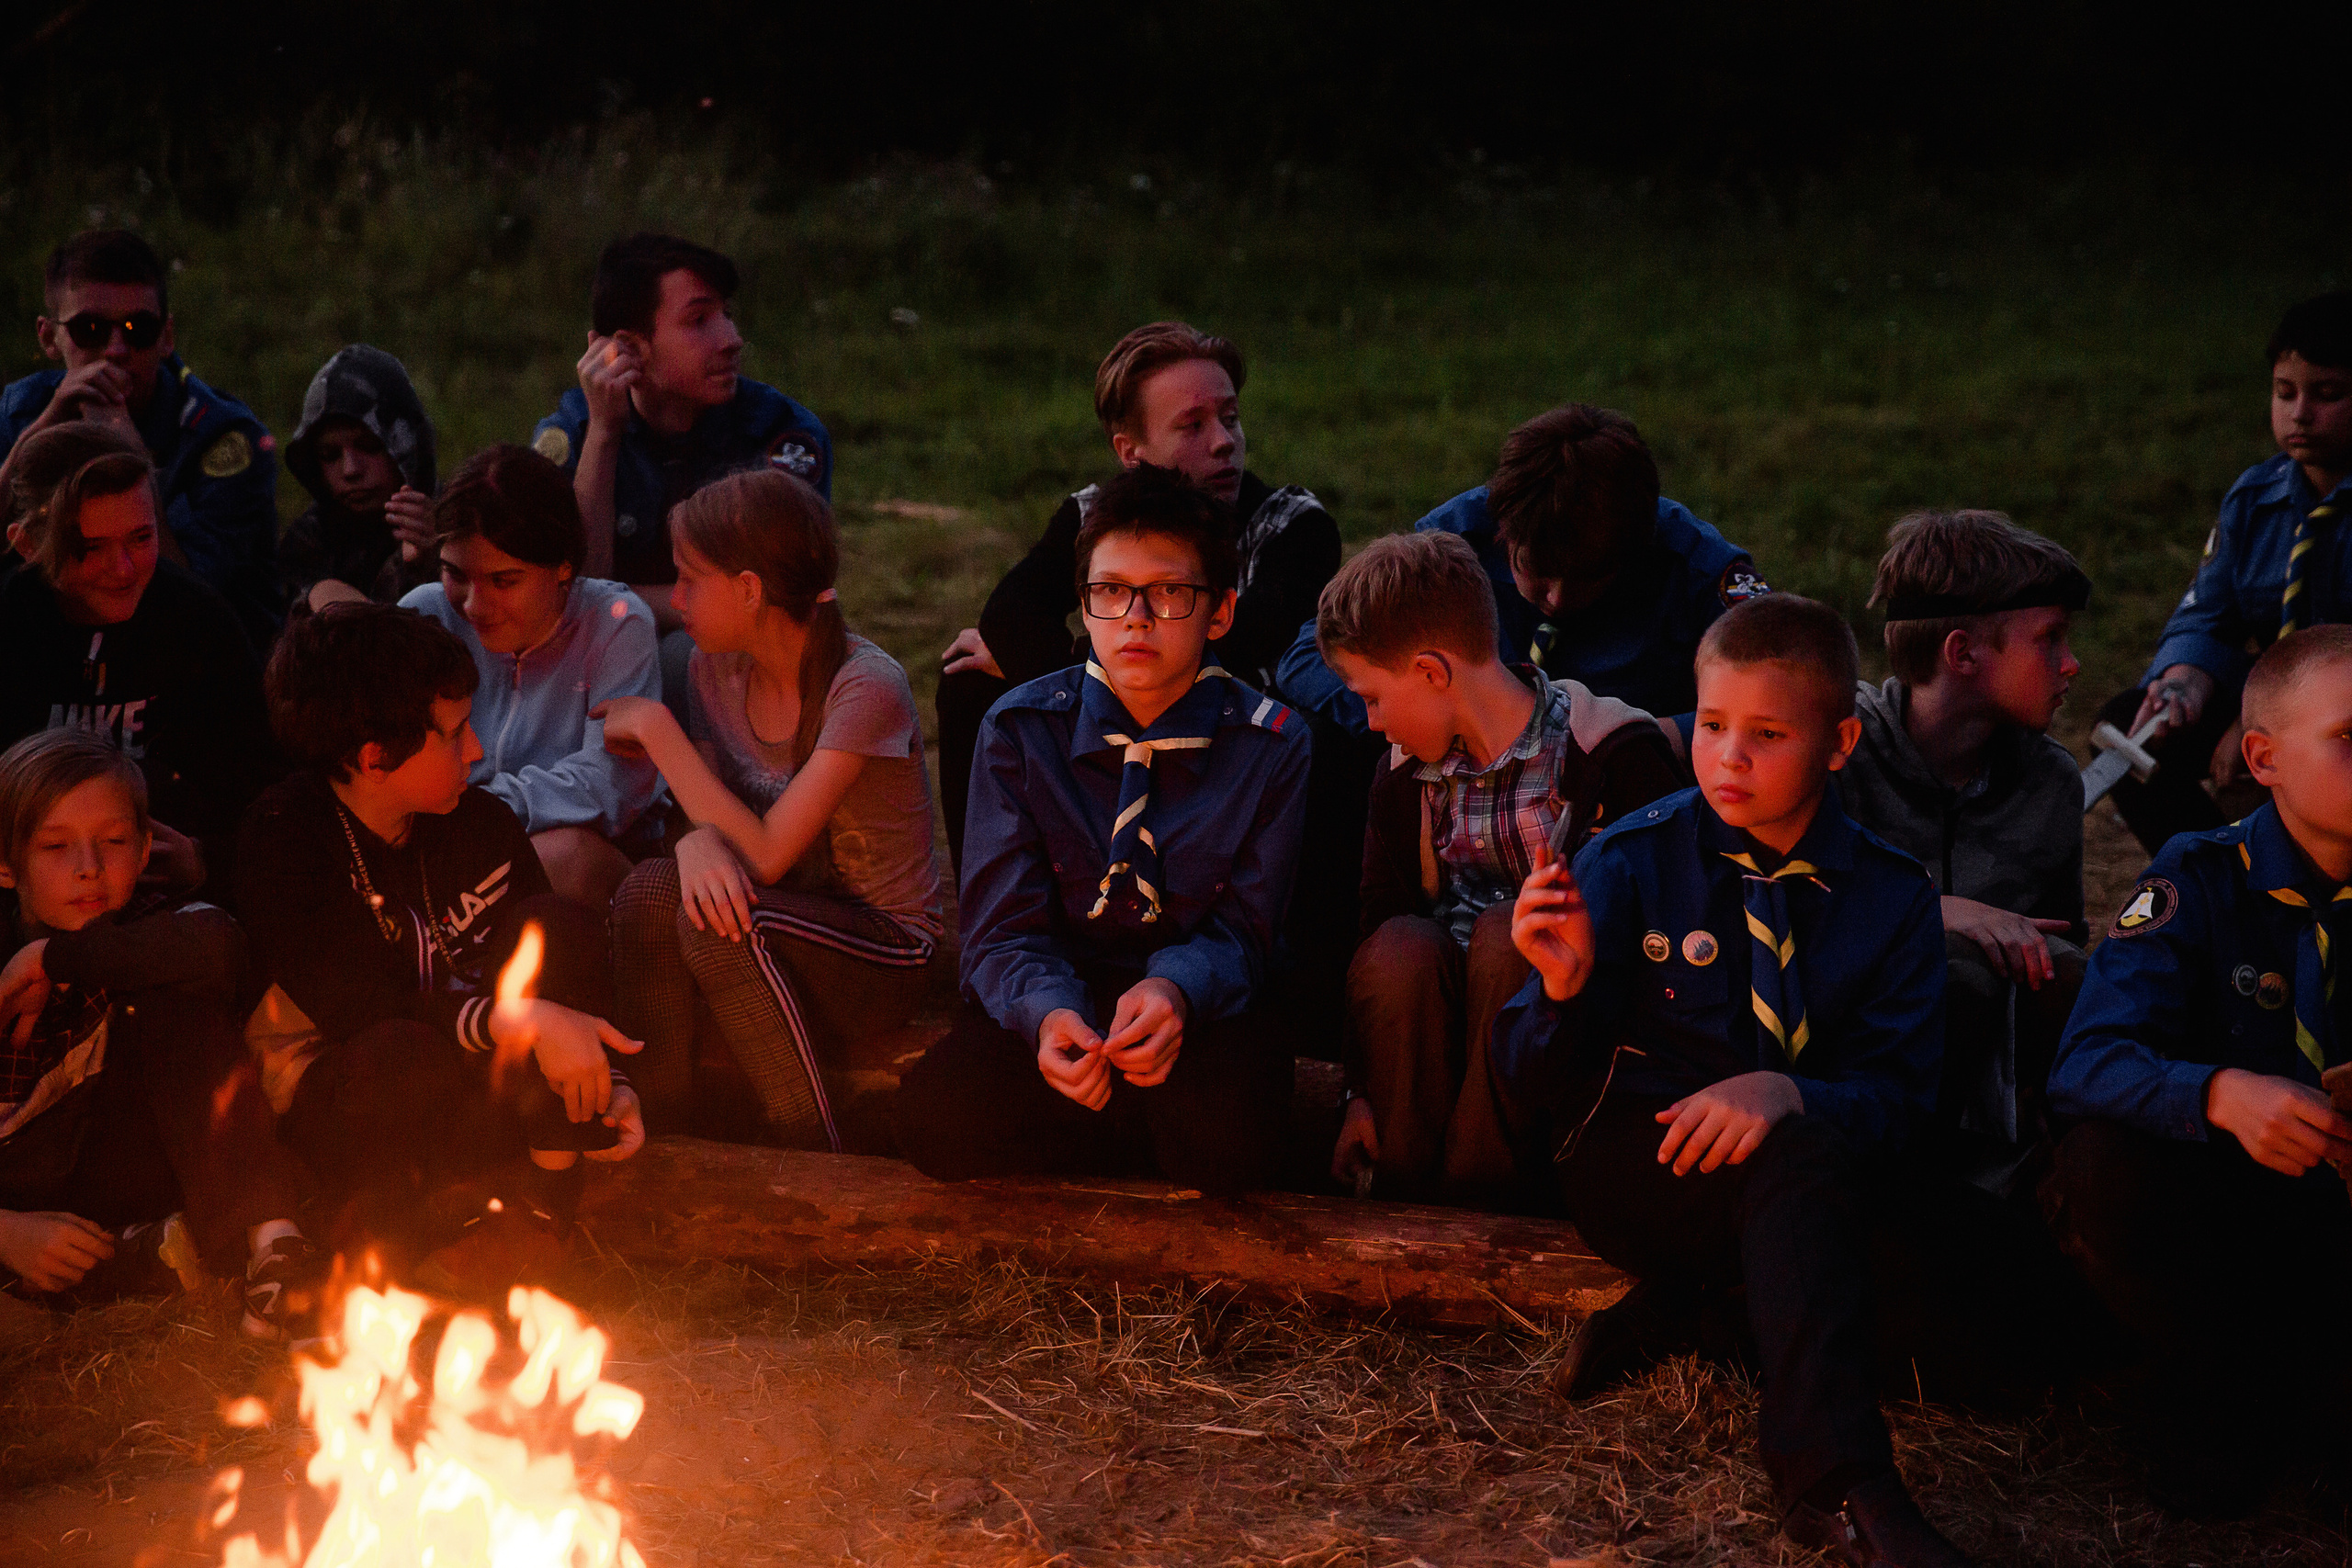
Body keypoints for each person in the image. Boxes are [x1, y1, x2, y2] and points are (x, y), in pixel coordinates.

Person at [1493, 594, 1967, 1568]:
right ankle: (1833, 1482)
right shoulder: (1630, 859)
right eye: (1710, 727)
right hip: (1648, 1162)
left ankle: (1697, 1311)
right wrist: (1563, 986)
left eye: (1765, 735)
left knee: (1982, 1314)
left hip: (1813, 1172)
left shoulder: (1889, 896)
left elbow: (1906, 1103)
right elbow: (1525, 1082)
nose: (1727, 760)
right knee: (1800, 1185)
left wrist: (1789, 1093)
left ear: (1838, 744)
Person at [895, 464, 1311, 1195]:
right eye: (1111, 591)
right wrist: (1047, 1013)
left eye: (1170, 593)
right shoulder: (1021, 729)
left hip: (1196, 1011)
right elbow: (1000, 929)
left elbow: (1249, 930)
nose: (1136, 618)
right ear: (1084, 607)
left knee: (1233, 1137)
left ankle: (1124, 1131)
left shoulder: (1271, 743)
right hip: (1068, 985)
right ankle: (1123, 1126)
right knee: (938, 1114)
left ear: (1220, 613)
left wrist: (1177, 991)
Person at [233, 604, 645, 1280]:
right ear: (374, 757)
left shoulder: (475, 821)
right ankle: (384, 1243)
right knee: (403, 1053)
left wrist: (606, 1078)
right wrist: (521, 1018)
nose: (477, 749)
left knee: (557, 925)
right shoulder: (284, 840)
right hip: (357, 1102)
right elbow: (363, 1007)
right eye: (453, 735)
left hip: (472, 1080)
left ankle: (545, 1203)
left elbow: (552, 969)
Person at [2044, 626, 2352, 1520]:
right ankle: (2222, 1390)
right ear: (2262, 758)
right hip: (2233, 1223)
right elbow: (2087, 1063)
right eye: (2348, 738)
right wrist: (2218, 1093)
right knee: (2104, 1165)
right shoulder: (2199, 879)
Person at [1317, 532, 1681, 1203]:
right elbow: (1373, 932)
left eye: (1372, 696)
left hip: (1553, 1053)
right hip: (1434, 1041)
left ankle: (1486, 1194)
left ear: (1431, 671)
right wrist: (1357, 1093)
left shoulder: (1610, 754)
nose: (1370, 721)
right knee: (1399, 944)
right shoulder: (1404, 780)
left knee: (1508, 932)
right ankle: (1398, 1187)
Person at [601, 469, 942, 1145]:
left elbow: (765, 852)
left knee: (719, 924)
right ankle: (665, 1136)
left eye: (691, 578)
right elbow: (715, 813)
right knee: (646, 892)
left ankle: (815, 1156)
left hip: (884, 948)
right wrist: (694, 842)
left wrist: (657, 731)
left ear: (750, 590)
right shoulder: (711, 669)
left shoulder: (864, 687)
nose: (677, 599)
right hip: (782, 912)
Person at [935, 320, 1340, 877]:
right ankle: (992, 905)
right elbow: (1011, 611)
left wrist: (1074, 664)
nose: (1224, 441)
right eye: (1192, 426)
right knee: (970, 682)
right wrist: (1054, 665)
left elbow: (1240, 642)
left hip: (1233, 724)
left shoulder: (1292, 525)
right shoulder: (1094, 516)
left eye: (1230, 418)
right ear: (1132, 450)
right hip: (1108, 716)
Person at [0, 730, 314, 1337]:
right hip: (21, 1185)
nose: (89, 867)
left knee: (178, 997)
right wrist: (8, 1232)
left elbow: (218, 944)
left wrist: (53, 958)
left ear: (146, 850)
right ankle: (134, 1261)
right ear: (7, 864)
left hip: (119, 1159)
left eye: (113, 842)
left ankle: (277, 1248)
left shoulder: (147, 928)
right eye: (56, 846)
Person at [1840, 510, 2091, 1191]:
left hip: (2002, 1096)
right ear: (1962, 653)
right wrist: (1935, 910)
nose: (2071, 663)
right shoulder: (1841, 756)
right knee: (1958, 971)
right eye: (2050, 639)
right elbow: (1795, 914)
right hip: (1849, 1075)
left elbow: (2064, 945)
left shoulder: (2049, 782)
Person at [1278, 403, 1770, 736]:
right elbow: (1310, 656)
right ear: (1504, 530)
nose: (1554, 599)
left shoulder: (1698, 572)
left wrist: (1659, 737)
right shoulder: (1457, 541)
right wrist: (1435, 718)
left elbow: (1783, 693)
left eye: (1586, 579)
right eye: (1533, 570)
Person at [531, 232, 832, 719]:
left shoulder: (778, 434)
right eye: (699, 320)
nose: (732, 340)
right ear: (628, 348)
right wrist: (605, 435)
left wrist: (619, 601)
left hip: (738, 660)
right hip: (597, 661)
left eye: (727, 315)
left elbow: (773, 598)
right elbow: (565, 594)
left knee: (682, 660)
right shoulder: (574, 434)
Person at [2097, 289, 2352, 852]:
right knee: (2127, 728)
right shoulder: (2255, 500)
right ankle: (2223, 881)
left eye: (2328, 394)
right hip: (2280, 701)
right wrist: (2185, 679)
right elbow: (2211, 613)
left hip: (2340, 714)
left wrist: (2264, 723)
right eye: (2285, 392)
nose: (2300, 413)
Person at [0, 422, 278, 889]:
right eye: (91, 548)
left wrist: (206, 858)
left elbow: (263, 788)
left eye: (141, 538)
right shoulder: (11, 624)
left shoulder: (197, 623)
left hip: (168, 893)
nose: (124, 568)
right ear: (27, 544)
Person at [399, 445, 666, 908]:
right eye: (455, 573)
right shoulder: (424, 616)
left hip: (571, 854)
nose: (474, 605)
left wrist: (484, 810)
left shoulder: (615, 624)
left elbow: (614, 782)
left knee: (568, 858)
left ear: (563, 568)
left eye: (504, 582)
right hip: (440, 842)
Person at [0, 230, 282, 644]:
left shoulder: (222, 437)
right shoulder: (21, 409)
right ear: (49, 337)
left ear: (166, 337)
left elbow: (188, 599)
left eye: (138, 328)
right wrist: (42, 431)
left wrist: (129, 452)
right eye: (90, 329)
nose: (116, 350)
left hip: (193, 665)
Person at [278, 344, 439, 614]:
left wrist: (434, 562)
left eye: (369, 446)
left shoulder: (457, 525)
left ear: (406, 444)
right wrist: (404, 569)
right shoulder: (308, 543)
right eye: (329, 455)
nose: (350, 470)